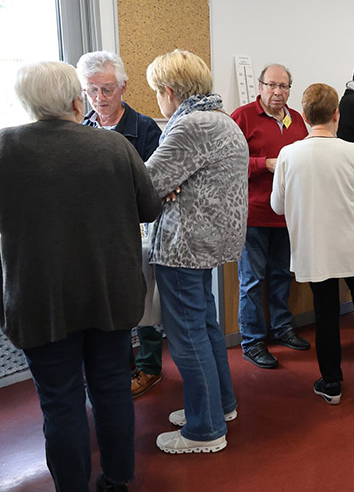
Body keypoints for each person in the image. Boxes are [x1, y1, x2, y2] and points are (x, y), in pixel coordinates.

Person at [0, 61, 161, 492]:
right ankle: (117, 480)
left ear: (27, 103)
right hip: (109, 294)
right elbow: (150, 209)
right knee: (111, 390)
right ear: (76, 100)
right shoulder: (114, 147)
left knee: (60, 402)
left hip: (41, 301)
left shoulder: (4, 148)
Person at [144, 49, 249, 454]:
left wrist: (163, 189)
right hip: (206, 244)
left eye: (157, 91)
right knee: (204, 328)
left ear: (169, 91)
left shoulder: (190, 126)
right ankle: (219, 405)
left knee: (188, 336)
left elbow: (147, 184)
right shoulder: (222, 120)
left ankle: (204, 430)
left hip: (183, 247)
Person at [270, 83, 354, 404]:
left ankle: (331, 384)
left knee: (325, 314)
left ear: (305, 114)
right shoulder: (353, 152)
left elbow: (277, 206)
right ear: (337, 114)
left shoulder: (288, 154)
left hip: (315, 249)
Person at [76, 50, 165, 399]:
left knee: (142, 300)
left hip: (136, 229)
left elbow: (153, 186)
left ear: (124, 87)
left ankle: (149, 366)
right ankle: (119, 366)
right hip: (95, 234)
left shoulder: (144, 129)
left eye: (107, 89)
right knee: (106, 304)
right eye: (91, 91)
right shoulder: (82, 129)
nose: (99, 99)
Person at [230, 63, 310, 370]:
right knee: (251, 280)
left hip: (287, 215)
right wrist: (265, 164)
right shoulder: (243, 117)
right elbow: (230, 162)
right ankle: (252, 341)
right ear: (260, 87)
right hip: (253, 215)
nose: (278, 92)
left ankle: (282, 327)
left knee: (281, 275)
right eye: (272, 85)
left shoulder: (297, 120)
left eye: (284, 87)